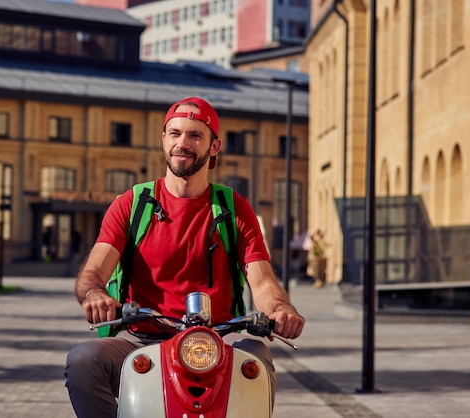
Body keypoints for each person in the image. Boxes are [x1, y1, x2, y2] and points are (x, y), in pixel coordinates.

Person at [65, 97, 305, 418]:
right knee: (83, 360)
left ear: (214, 146)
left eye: (195, 135)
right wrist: (95, 294)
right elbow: (93, 273)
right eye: (175, 133)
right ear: (164, 139)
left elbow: (261, 280)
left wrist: (280, 309)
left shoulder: (233, 208)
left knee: (256, 360)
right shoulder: (132, 204)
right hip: (143, 338)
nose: (182, 143)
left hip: (217, 338)